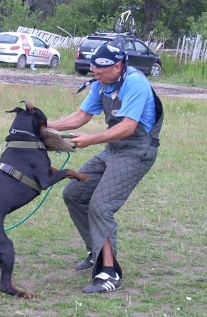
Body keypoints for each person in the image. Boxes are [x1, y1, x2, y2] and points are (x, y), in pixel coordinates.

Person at [47, 43, 163, 293]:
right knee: (74, 194)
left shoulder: (135, 83)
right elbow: (81, 116)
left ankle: (109, 274)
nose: (95, 76)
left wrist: (89, 139)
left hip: (136, 150)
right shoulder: (102, 82)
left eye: (100, 72)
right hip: (113, 149)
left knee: (101, 206)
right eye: (93, 71)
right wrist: (44, 126)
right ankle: (96, 251)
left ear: (118, 66)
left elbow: (128, 127)